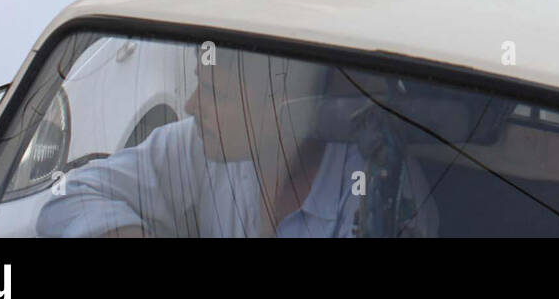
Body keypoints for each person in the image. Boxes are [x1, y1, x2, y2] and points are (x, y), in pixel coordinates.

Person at [34, 48, 438, 238]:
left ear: (280, 106)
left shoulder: (383, 187)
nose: (192, 106)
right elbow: (70, 198)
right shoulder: (200, 146)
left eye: (214, 93)